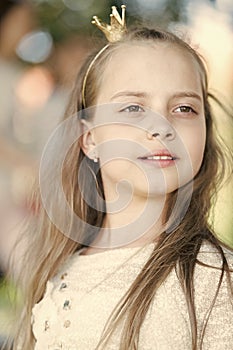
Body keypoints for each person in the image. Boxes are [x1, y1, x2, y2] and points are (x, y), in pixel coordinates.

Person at [11, 5, 233, 350]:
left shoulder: (218, 281)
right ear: (90, 139)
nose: (161, 127)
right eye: (133, 108)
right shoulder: (56, 269)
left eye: (184, 108)